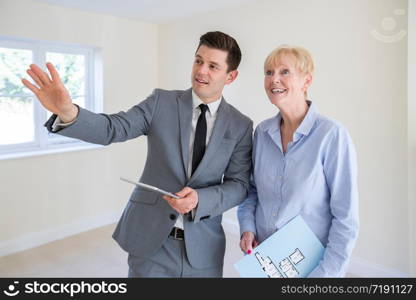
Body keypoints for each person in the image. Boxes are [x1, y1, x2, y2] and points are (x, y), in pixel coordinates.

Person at [22, 31, 253, 277]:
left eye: (213, 66)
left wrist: (200, 199)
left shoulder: (241, 125)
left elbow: (239, 185)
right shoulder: (160, 102)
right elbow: (112, 128)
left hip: (204, 250)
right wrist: (68, 111)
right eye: (198, 60)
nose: (201, 71)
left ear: (231, 76)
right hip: (151, 244)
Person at [237, 45, 359, 277]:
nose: (274, 79)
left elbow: (346, 218)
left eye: (285, 72)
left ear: (306, 81)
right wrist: (247, 229)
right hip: (265, 261)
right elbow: (251, 191)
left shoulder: (331, 135)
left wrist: (325, 275)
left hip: (313, 267)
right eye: (268, 72)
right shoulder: (261, 133)